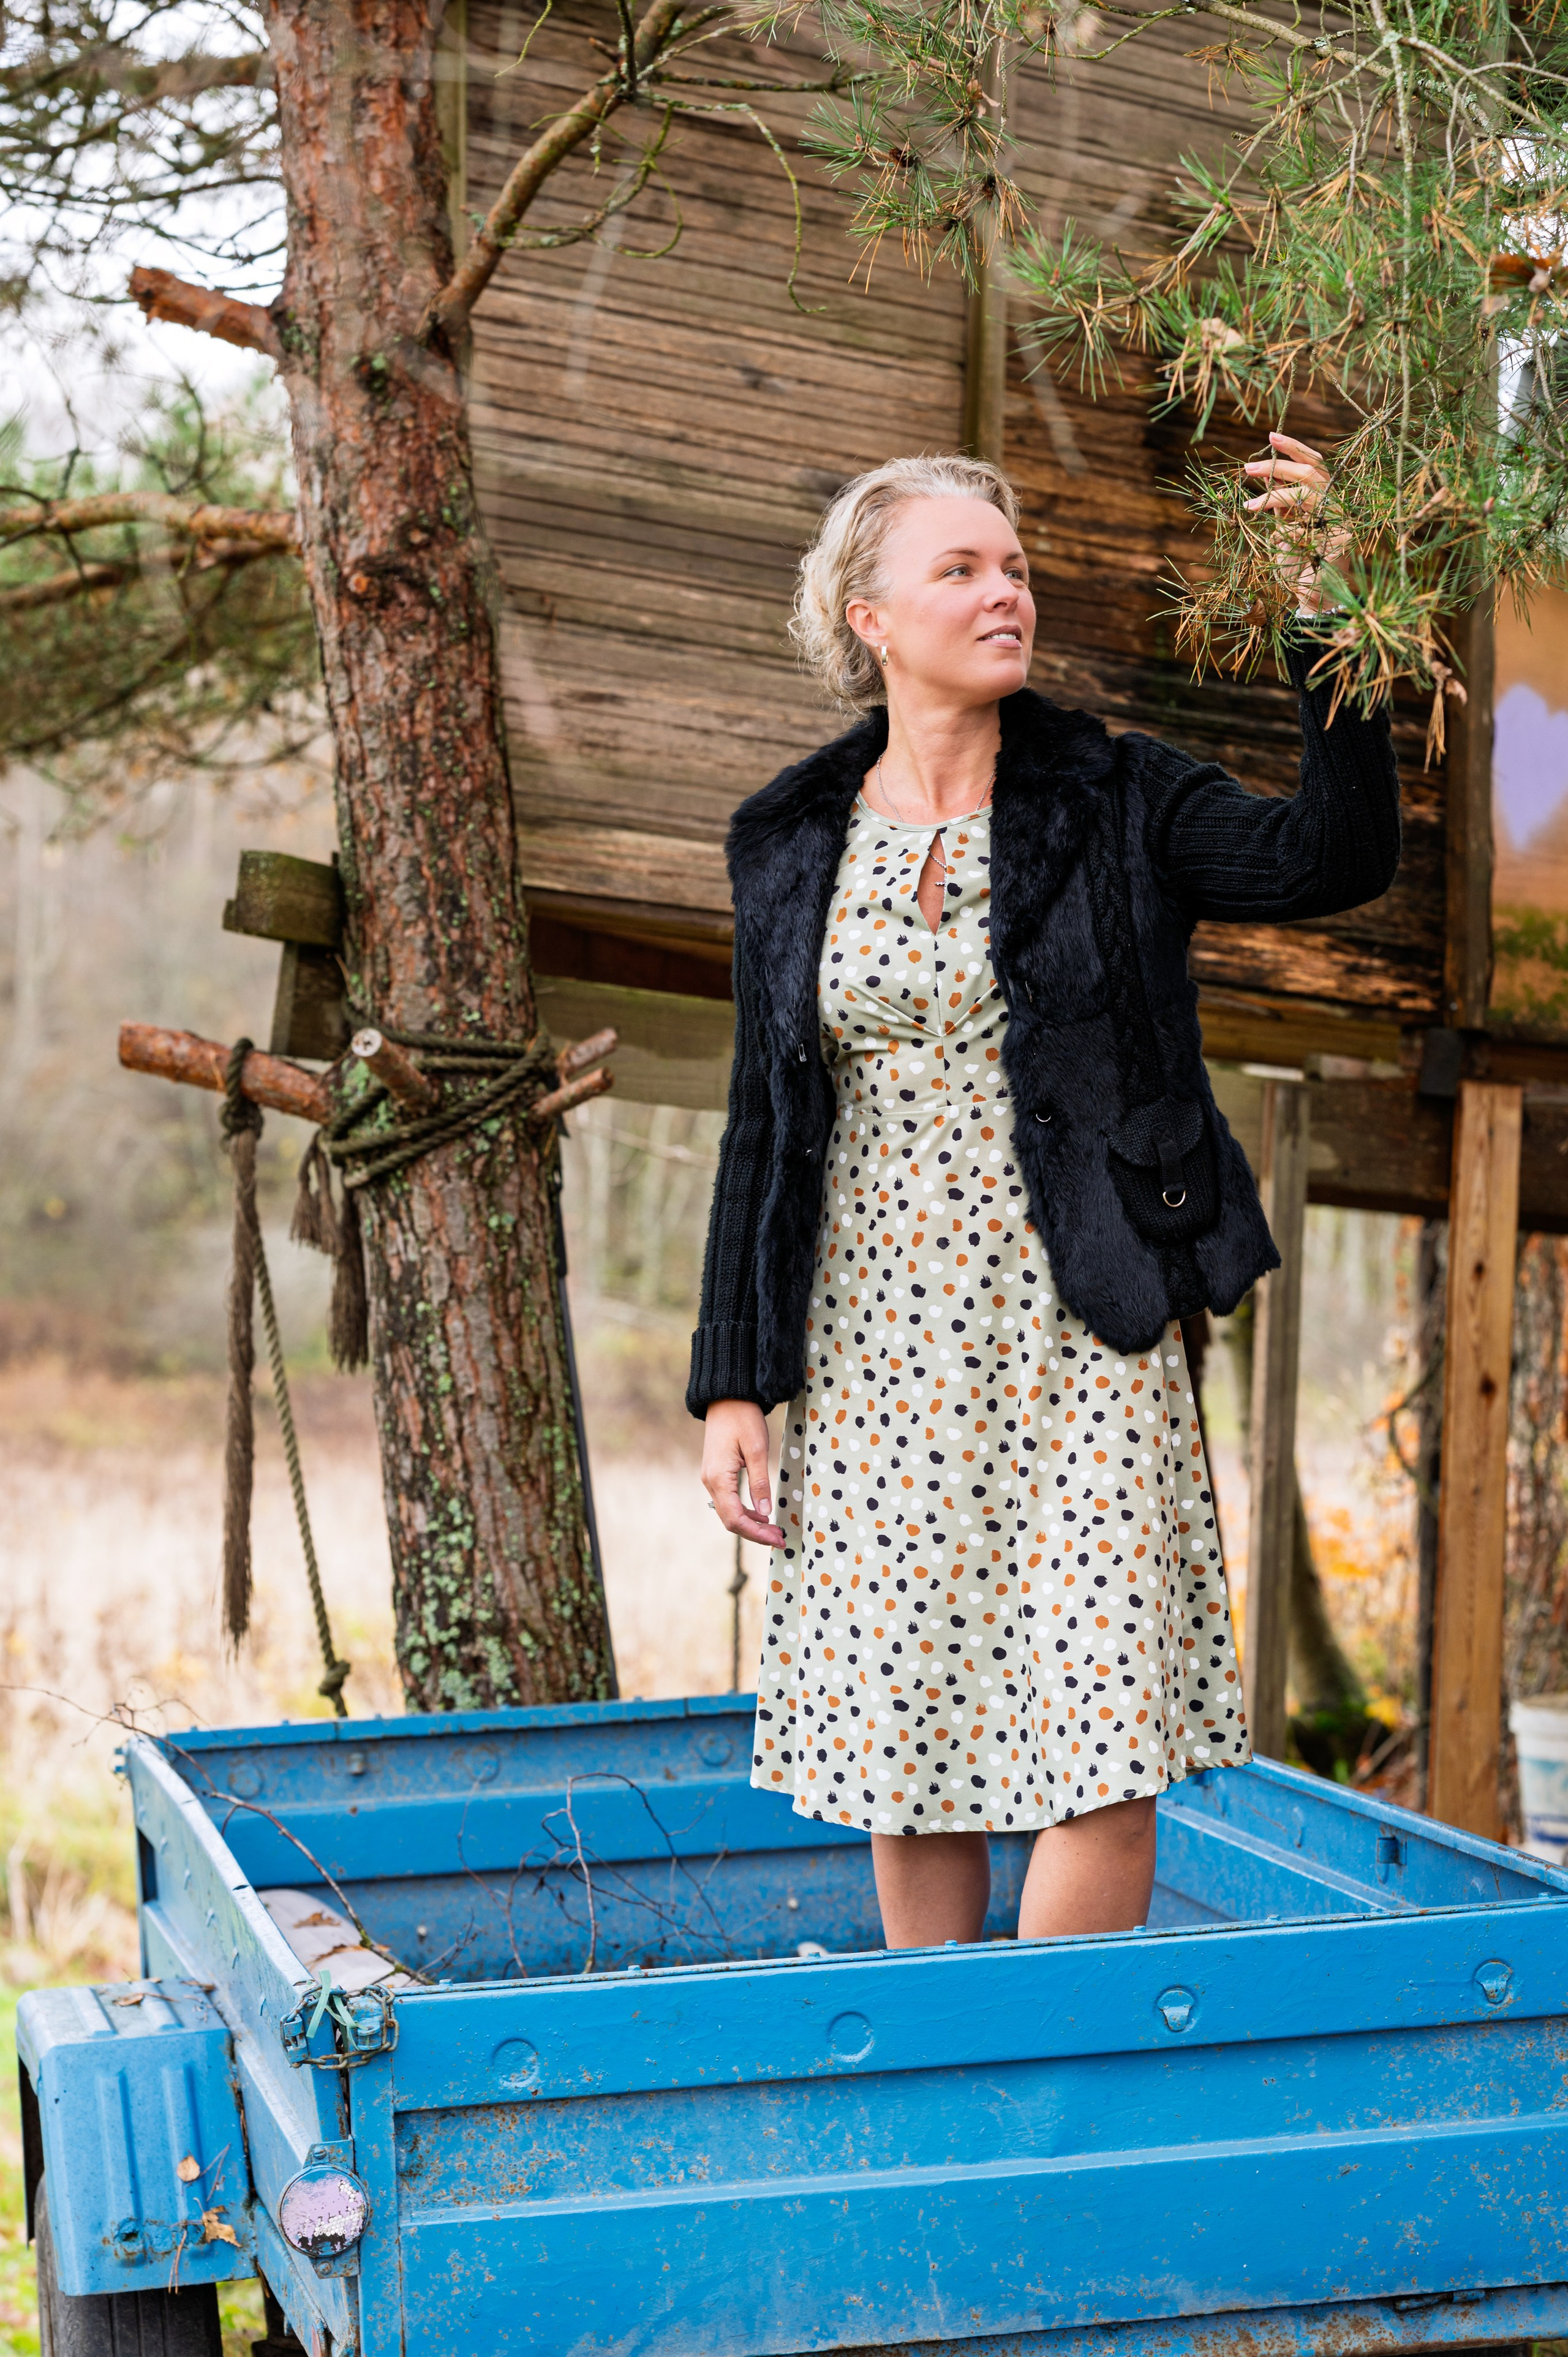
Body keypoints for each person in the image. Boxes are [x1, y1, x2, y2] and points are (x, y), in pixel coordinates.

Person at [689, 434, 1398, 1950]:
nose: (1004, 591)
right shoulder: (789, 840)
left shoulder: (1116, 793)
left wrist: (1321, 600)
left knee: (1101, 1732)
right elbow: (764, 1121)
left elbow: (1330, 854)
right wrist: (734, 1381)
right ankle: (950, 2101)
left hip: (1086, 1323)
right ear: (868, 616)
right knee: (908, 1735)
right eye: (960, 568)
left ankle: (1053, 2114)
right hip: (871, 1346)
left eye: (1011, 567)